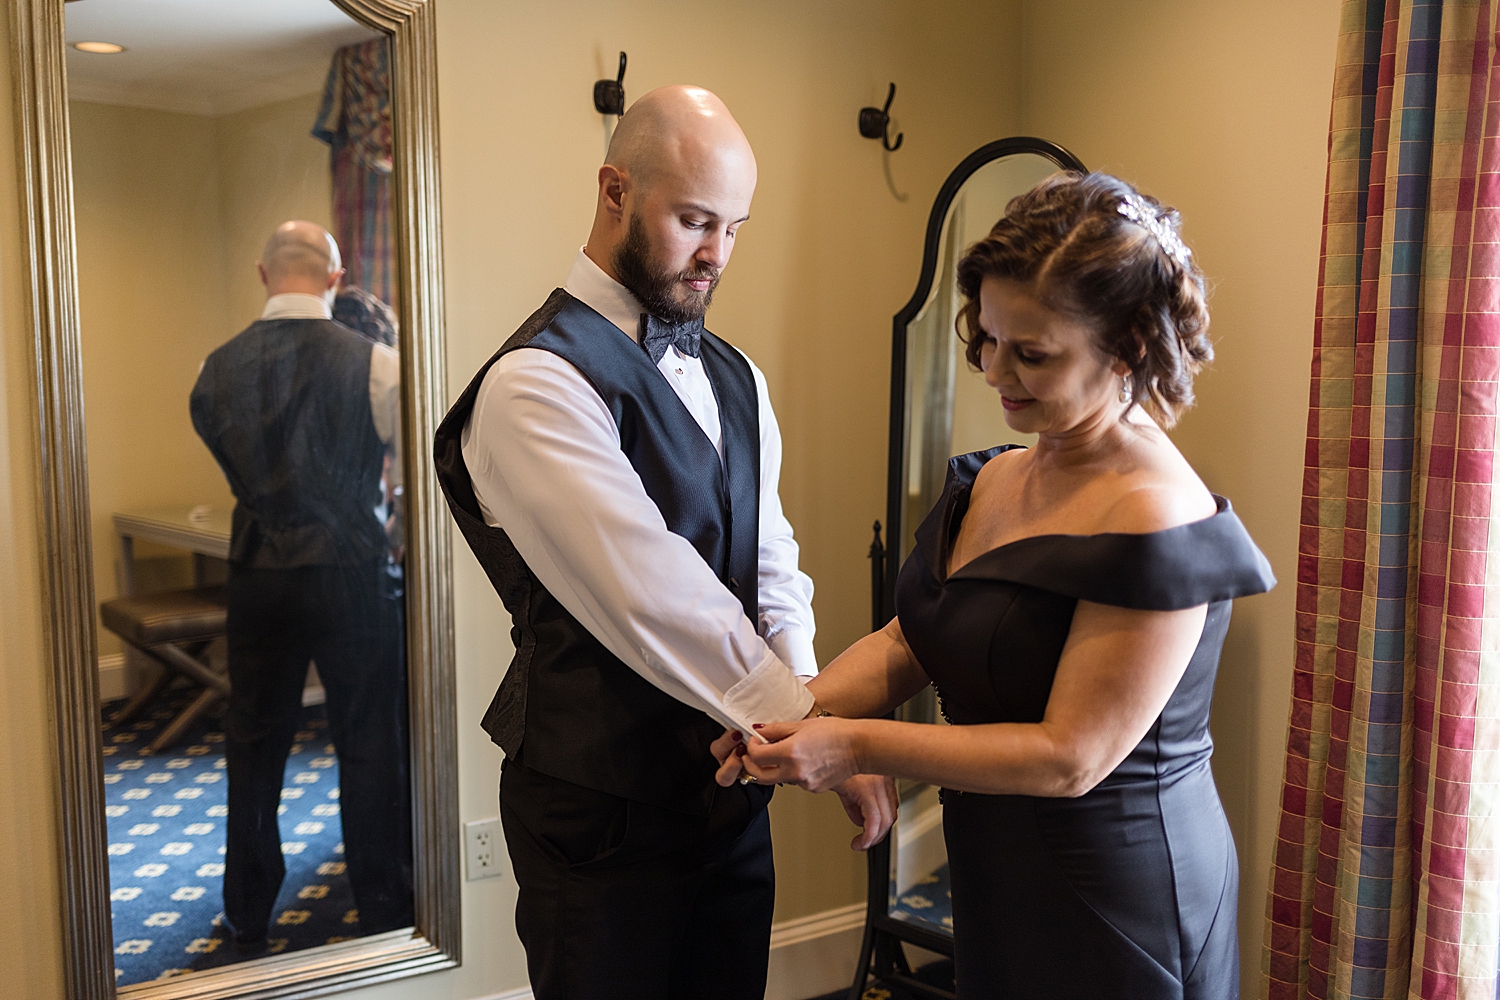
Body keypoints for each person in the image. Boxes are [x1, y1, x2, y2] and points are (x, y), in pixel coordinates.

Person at [726, 173, 1275, 999]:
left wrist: (854, 745)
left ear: (1126, 348)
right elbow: (915, 636)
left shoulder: (1157, 517)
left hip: (1118, 893)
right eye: (984, 338)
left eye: (1032, 352)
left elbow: (1069, 757)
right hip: (997, 864)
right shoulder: (997, 477)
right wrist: (797, 713)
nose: (992, 370)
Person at [433, 86, 896, 1000]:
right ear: (614, 191)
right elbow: (654, 594)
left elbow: (770, 559)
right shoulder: (533, 385)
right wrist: (816, 728)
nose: (717, 255)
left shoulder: (737, 374)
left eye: (735, 227)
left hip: (728, 797)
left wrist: (803, 700)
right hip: (597, 810)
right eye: (694, 220)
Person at [190, 221, 412, 952]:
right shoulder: (379, 366)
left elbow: (227, 450)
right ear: (336, 279)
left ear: (262, 275)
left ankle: (247, 907)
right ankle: (381, 903)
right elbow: (403, 473)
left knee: (255, 743)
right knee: (367, 743)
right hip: (352, 574)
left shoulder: (213, 371)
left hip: (258, 574)